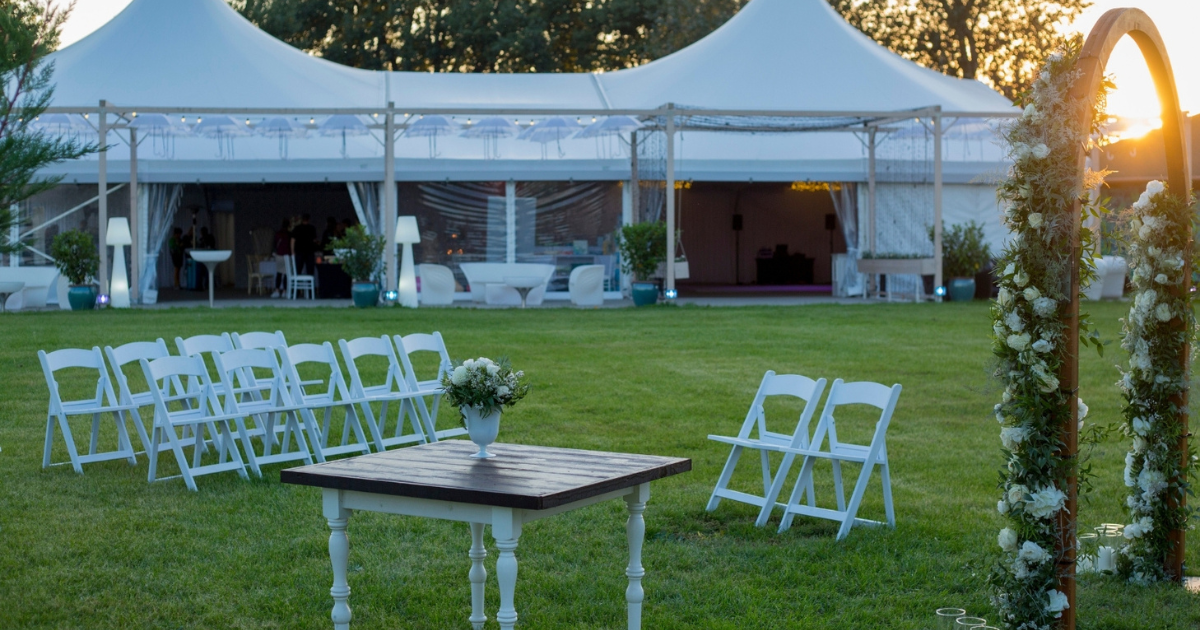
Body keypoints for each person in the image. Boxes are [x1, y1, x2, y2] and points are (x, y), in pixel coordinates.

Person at [272, 218, 291, 298]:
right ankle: (284, 291)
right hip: (287, 255)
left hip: (279, 255)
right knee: (286, 274)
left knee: (279, 273)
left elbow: (274, 244)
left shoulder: (278, 234)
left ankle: (277, 290)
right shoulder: (289, 234)